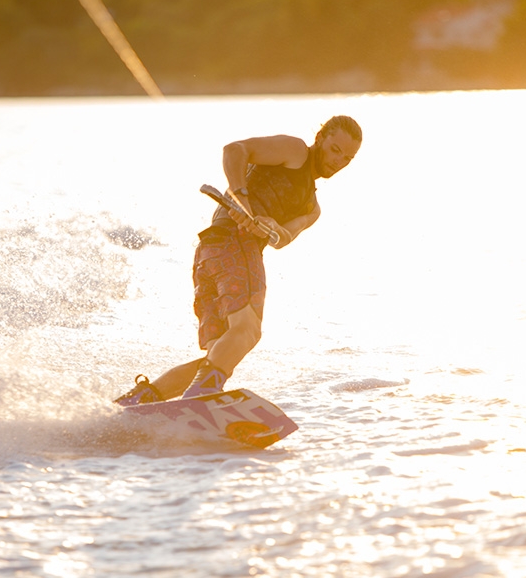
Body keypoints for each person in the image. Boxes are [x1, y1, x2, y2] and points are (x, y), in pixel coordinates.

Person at [115, 115, 362, 405]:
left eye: (348, 157)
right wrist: (241, 197)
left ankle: (138, 401)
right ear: (320, 138)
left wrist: (271, 226)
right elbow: (235, 150)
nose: (339, 161)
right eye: (335, 149)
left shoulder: (313, 208)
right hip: (232, 244)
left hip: (214, 253)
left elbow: (284, 238)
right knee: (248, 332)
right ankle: (201, 397)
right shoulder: (296, 152)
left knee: (221, 353)